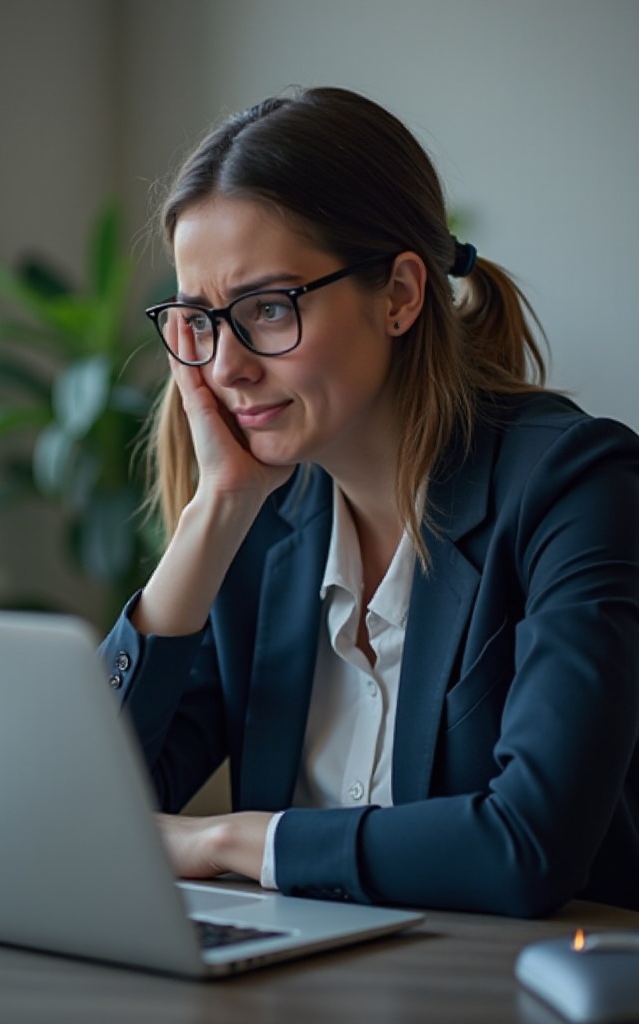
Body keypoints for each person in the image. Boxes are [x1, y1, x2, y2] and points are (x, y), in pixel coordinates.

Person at [98, 86, 639, 917]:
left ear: (399, 296)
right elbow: (87, 808)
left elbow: (527, 846)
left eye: (268, 308)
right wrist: (212, 516)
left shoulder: (573, 484)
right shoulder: (260, 520)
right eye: (199, 320)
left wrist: (230, 840)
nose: (226, 367)